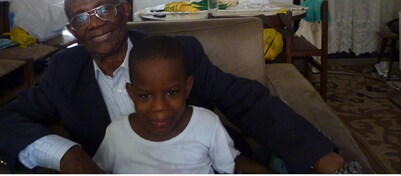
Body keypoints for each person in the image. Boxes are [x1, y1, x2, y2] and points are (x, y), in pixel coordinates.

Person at [0, 0, 359, 174]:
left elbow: (246, 99)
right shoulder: (63, 71)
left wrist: (320, 155)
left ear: (125, 11)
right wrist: (69, 155)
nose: (95, 24)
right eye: (81, 18)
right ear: (73, 30)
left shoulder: (176, 55)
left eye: (104, 9)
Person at [93, 35, 271, 173]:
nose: (159, 108)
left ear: (187, 88)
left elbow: (231, 164)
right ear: (131, 94)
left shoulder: (206, 124)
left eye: (171, 93)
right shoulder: (116, 134)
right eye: (146, 95)